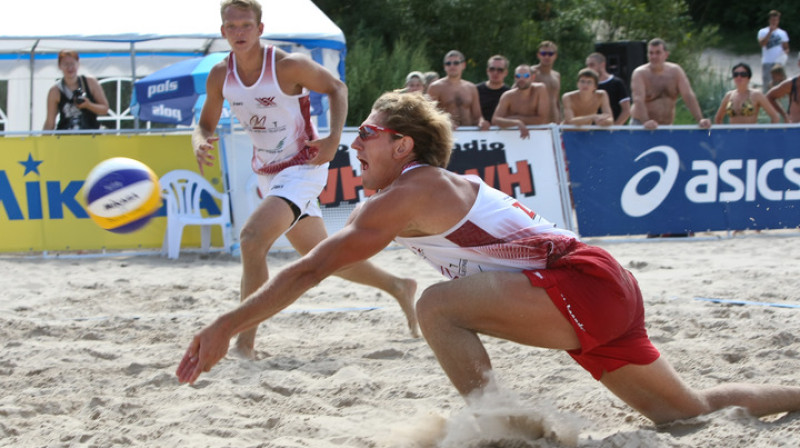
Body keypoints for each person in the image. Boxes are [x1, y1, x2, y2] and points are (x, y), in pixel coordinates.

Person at [177, 91, 800, 426]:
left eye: (364, 133)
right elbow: (316, 258)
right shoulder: (419, 190)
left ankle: (498, 424)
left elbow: (311, 268)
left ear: (402, 145)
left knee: (437, 307)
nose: (353, 144)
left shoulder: (411, 189)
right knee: (688, 415)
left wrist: (223, 327)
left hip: (576, 284)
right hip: (595, 286)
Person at [192, 0, 418, 358]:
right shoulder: (221, 74)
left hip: (303, 165)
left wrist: (331, 140)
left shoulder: (287, 65)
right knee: (323, 257)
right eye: (232, 27)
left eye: (246, 25)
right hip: (267, 172)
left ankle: (244, 345)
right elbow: (205, 123)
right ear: (222, 32)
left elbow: (338, 89)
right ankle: (399, 286)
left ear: (260, 29)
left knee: (252, 239)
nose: (239, 32)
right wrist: (201, 140)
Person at [629, 38, 711, 130]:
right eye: (651, 53)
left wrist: (700, 119)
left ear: (666, 54)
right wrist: (646, 121)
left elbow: (688, 95)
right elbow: (638, 100)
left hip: (666, 126)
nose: (654, 56)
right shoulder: (640, 73)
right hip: (642, 125)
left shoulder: (676, 71)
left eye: (658, 53)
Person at [43, 49, 109, 131]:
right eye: (66, 64)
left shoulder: (90, 82)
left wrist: (88, 105)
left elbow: (105, 109)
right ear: (59, 66)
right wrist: (42, 142)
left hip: (91, 136)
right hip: (66, 138)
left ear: (78, 64)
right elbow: (50, 122)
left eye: (72, 64)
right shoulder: (55, 91)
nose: (70, 68)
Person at [427, 50, 490, 130]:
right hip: (446, 134)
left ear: (463, 65)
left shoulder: (471, 88)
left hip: (468, 135)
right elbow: (429, 114)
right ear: (444, 67)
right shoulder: (435, 87)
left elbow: (477, 116)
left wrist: (482, 122)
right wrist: (445, 121)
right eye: (448, 63)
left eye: (456, 63)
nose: (452, 66)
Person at [491, 65, 549, 139]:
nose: (521, 79)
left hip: (537, 135)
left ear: (532, 77)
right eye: (518, 76)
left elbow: (542, 119)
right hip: (513, 137)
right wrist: (517, 122)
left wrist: (516, 118)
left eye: (526, 75)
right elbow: (495, 120)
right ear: (515, 78)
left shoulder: (540, 89)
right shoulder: (508, 96)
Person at [714, 63, 779, 124]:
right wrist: (722, 135)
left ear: (749, 77)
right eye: (736, 74)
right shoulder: (729, 95)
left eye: (743, 74)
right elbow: (718, 118)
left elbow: (775, 117)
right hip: (733, 134)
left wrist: (768, 135)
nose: (739, 77)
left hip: (751, 134)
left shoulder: (756, 95)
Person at [585, 52, 631, 125]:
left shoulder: (617, 83)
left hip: (613, 129)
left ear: (602, 65)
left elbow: (626, 110)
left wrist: (615, 128)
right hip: (592, 131)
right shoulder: (587, 85)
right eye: (587, 65)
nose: (589, 68)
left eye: (592, 65)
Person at [758, 10, 790, 92]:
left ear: (778, 20)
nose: (774, 22)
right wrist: (770, 32)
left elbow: (786, 47)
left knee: (780, 84)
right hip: (767, 61)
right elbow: (762, 44)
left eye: (776, 20)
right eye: (772, 20)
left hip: (778, 63)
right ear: (769, 20)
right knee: (767, 84)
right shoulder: (762, 31)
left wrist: (785, 54)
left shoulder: (782, 33)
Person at [531, 41, 562, 123]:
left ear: (555, 56)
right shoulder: (532, 73)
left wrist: (560, 118)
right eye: (543, 53)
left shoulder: (557, 75)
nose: (547, 57)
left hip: (554, 122)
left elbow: (556, 100)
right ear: (538, 55)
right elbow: (515, 92)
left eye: (550, 54)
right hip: (537, 122)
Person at [476, 55, 511, 122]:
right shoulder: (476, 90)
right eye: (492, 69)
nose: (495, 73)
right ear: (487, 71)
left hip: (502, 130)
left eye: (500, 70)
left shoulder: (509, 93)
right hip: (479, 129)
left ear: (506, 73)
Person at [766, 55, 800, 123]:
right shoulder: (791, 84)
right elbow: (769, 97)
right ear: (799, 64)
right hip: (794, 130)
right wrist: (784, 115)